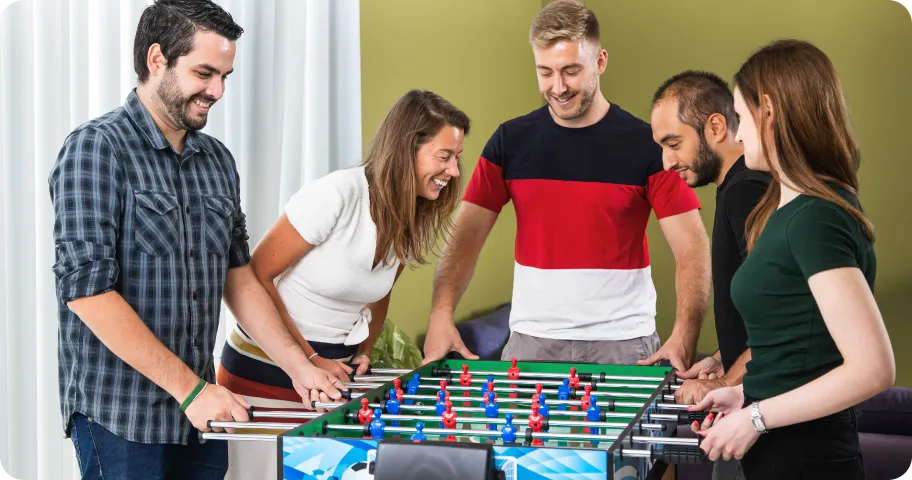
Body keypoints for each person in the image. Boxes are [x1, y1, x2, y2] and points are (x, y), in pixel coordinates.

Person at [48, 1, 344, 478]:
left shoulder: (218, 161)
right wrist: (189, 390)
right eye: (205, 73)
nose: (218, 90)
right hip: (122, 416)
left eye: (225, 76)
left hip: (203, 415)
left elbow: (239, 277)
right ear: (156, 59)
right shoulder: (95, 149)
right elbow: (88, 293)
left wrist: (297, 365)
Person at [422, 0, 710, 370]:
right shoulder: (510, 141)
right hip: (531, 344)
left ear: (600, 62)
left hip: (624, 345)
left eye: (571, 71)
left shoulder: (647, 144)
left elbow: (692, 245)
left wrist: (685, 335)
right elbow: (467, 233)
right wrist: (441, 313)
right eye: (545, 72)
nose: (557, 87)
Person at [217, 89, 470, 479]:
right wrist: (307, 361)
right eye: (444, 156)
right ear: (407, 149)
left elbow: (380, 292)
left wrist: (364, 349)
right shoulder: (337, 194)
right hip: (264, 371)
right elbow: (256, 275)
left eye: (457, 158)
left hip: (331, 378)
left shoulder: (410, 213)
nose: (454, 171)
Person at [688, 39, 895, 479]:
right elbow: (797, 348)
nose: (739, 135)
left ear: (769, 111)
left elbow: (873, 369)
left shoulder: (815, 217)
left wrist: (757, 416)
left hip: (809, 458)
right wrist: (746, 395)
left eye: (742, 118)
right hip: (779, 452)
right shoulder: (786, 208)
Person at [650, 71, 770, 480]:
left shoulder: (746, 192)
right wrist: (721, 359)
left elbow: (786, 315)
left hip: (765, 418)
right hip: (749, 404)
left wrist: (726, 380)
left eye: (673, 143)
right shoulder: (734, 190)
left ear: (716, 127)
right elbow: (756, 309)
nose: (667, 162)